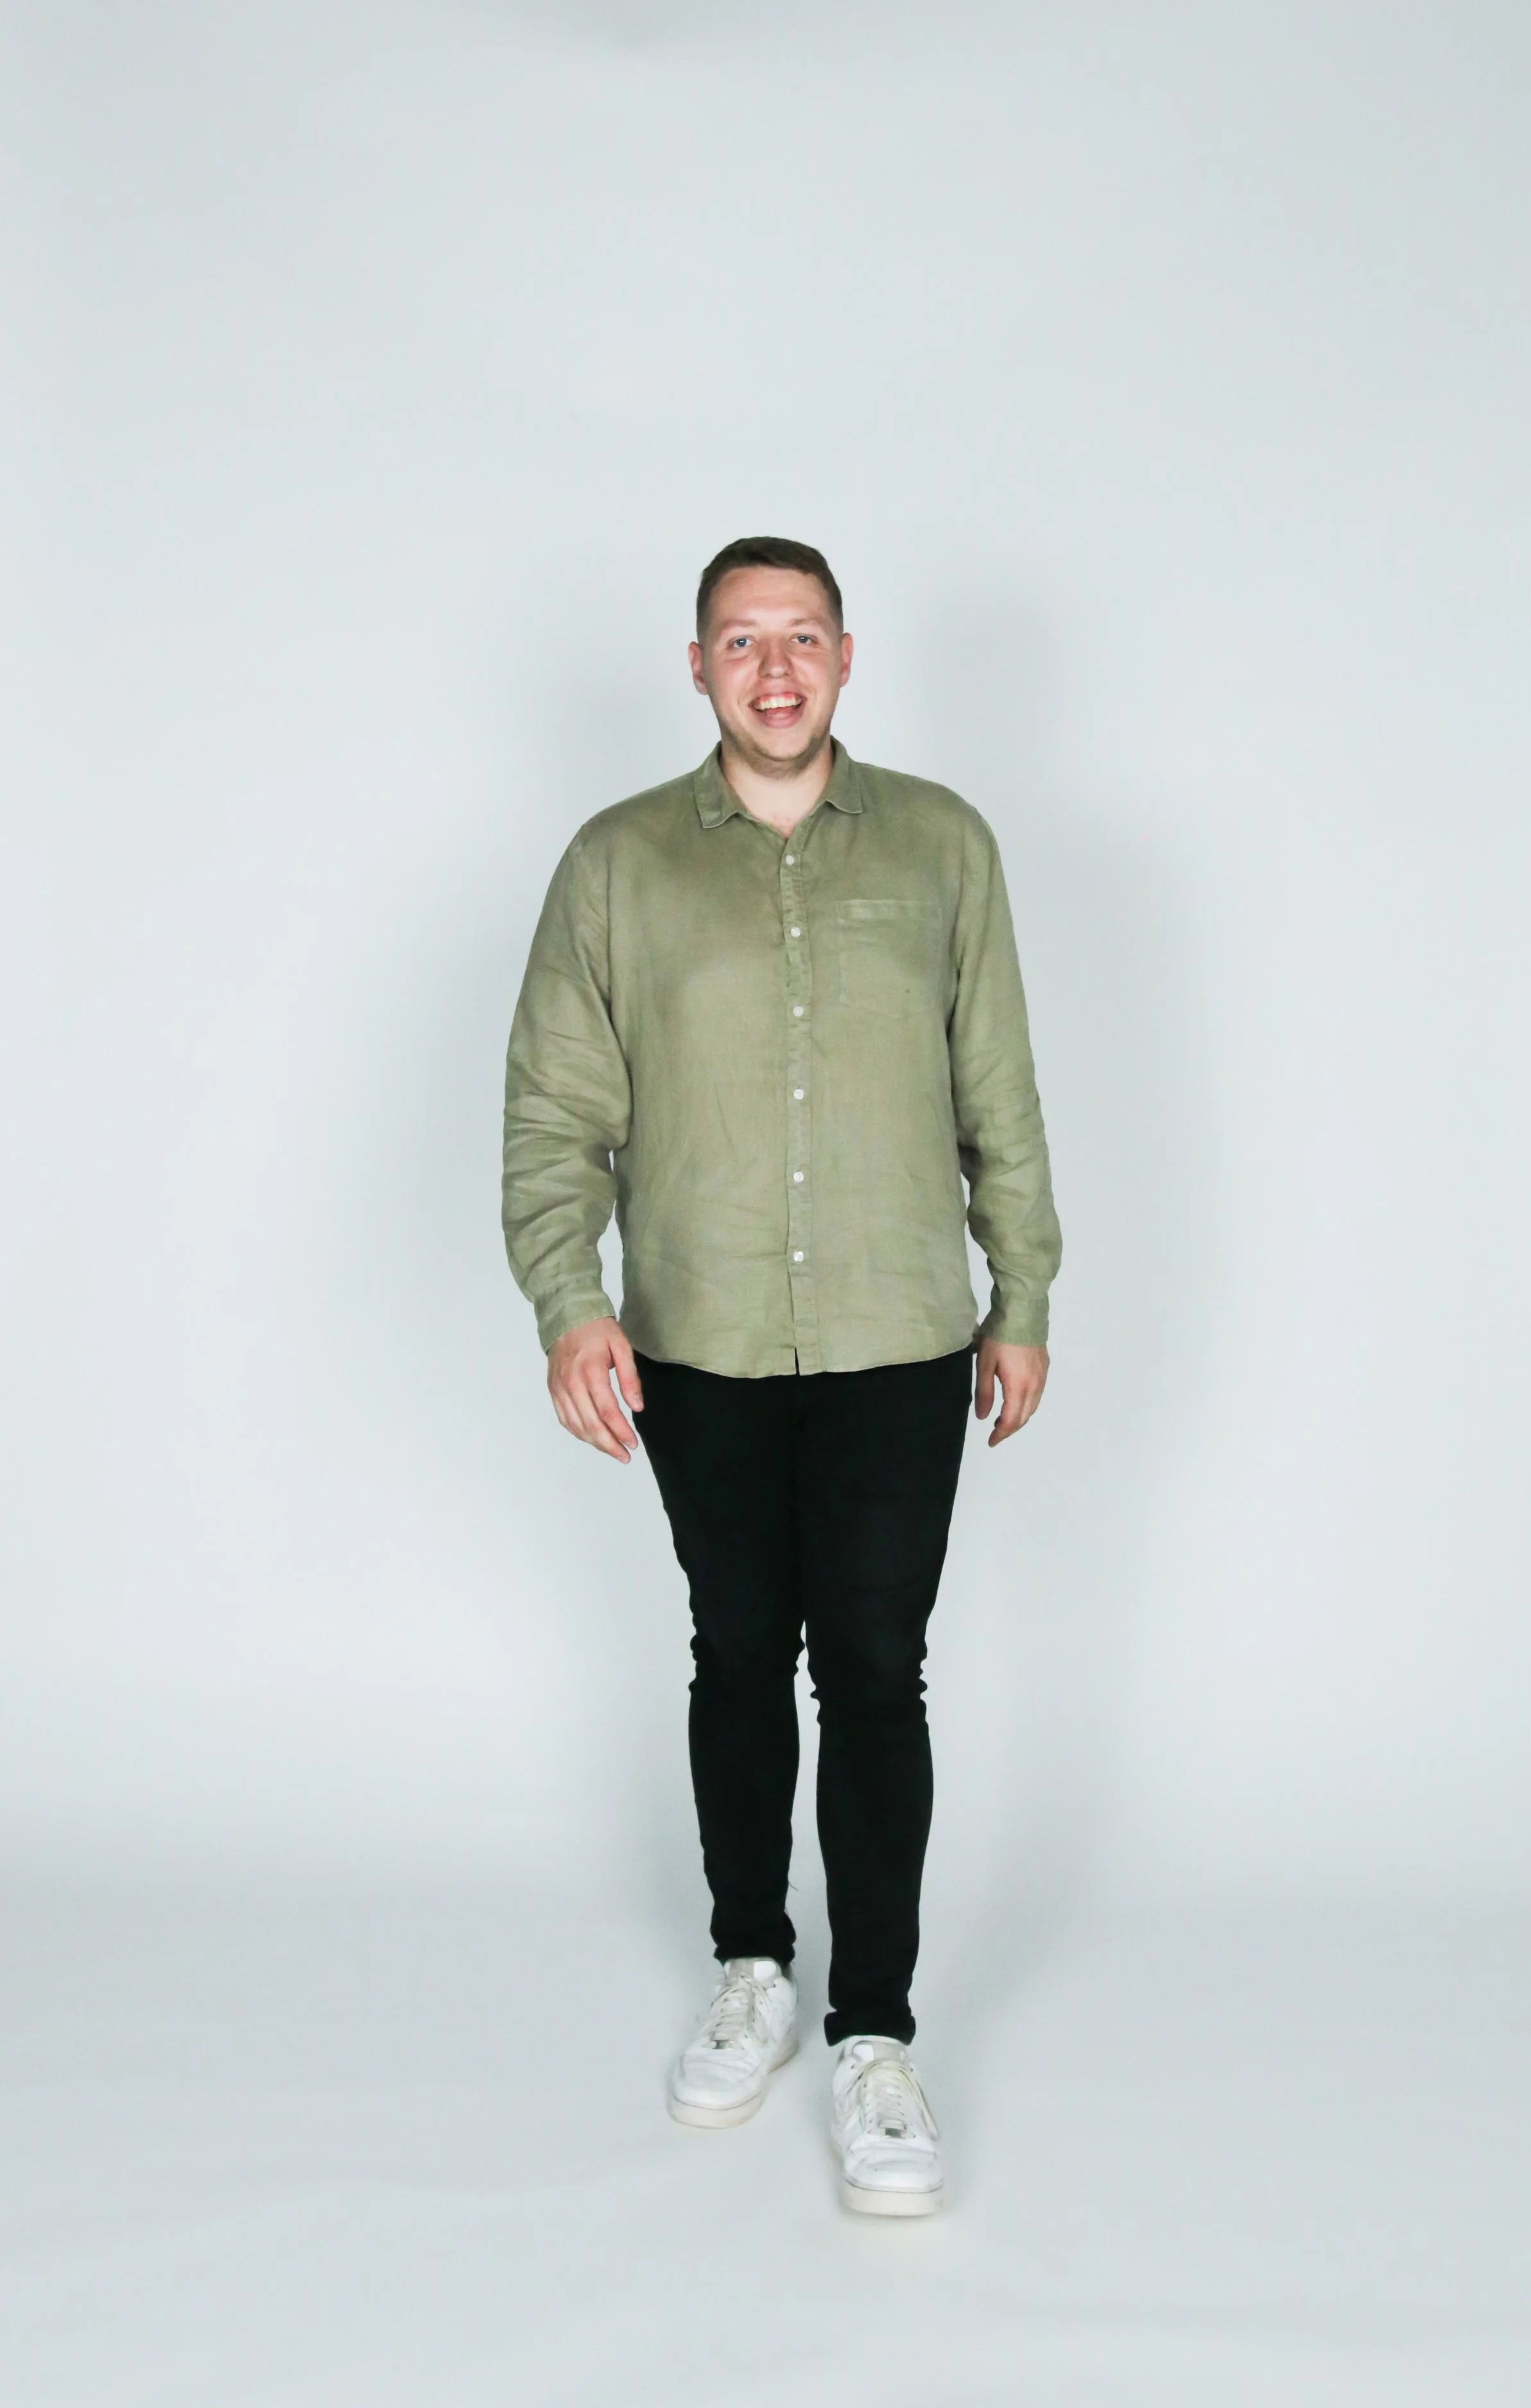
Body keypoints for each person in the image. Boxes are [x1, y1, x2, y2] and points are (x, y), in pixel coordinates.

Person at [503, 536, 1060, 2215]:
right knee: (739, 1650)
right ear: (695, 668)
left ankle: (874, 2028)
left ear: (841, 657)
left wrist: (1019, 1289)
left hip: (900, 1335)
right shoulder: (613, 867)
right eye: (739, 638)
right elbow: (554, 1115)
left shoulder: (944, 846)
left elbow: (1000, 1093)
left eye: (798, 635)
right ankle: (751, 1963)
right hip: (702, 1338)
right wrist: (566, 1304)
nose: (771, 665)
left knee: (875, 1670)